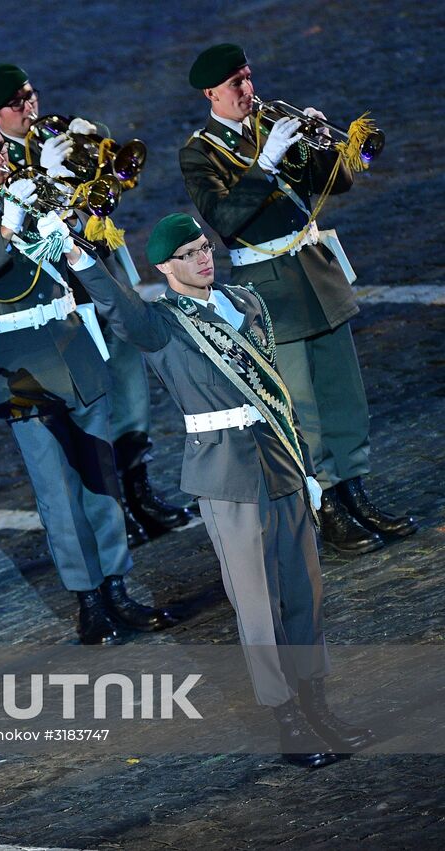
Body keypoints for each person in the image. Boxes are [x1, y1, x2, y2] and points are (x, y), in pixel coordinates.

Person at [84, 212, 375, 768]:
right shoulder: (162, 323)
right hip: (226, 473)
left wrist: (305, 465)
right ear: (165, 268)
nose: (203, 258)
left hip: (280, 460)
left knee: (305, 592)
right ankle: (288, 720)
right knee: (257, 604)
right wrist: (81, 260)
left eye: (204, 247)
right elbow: (119, 309)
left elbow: (276, 390)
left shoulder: (245, 302)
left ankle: (318, 706)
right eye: (188, 254)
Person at [0, 111, 177, 645]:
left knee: (101, 477)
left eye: (1, 148)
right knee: (57, 490)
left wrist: (64, 204)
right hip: (20, 369)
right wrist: (8, 228)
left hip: (73, 349)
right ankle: (88, 599)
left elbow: (89, 247)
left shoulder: (33, 190)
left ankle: (117, 587)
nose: (1, 158)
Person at [181, 43, 416, 554]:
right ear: (211, 94)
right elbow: (223, 219)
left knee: (344, 395)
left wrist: (320, 144)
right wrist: (265, 164)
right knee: (303, 407)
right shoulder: (199, 152)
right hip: (271, 288)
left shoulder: (273, 123)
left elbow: (340, 183)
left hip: (317, 275)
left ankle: (355, 493)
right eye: (235, 84)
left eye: (248, 76)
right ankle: (327, 507)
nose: (248, 89)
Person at [0, 62, 193, 544]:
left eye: (31, 94)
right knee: (97, 401)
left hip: (106, 275)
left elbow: (108, 192)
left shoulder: (54, 135)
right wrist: (47, 176)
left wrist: (94, 142)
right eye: (17, 103)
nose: (30, 106)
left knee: (131, 387)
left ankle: (140, 489)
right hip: (67, 294)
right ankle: (117, 507)